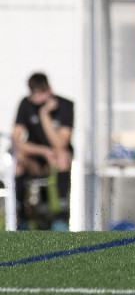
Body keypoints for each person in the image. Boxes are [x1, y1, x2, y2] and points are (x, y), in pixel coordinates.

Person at [12, 72, 74, 230]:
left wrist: (44, 114)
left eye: (42, 93)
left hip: (56, 161)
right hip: (37, 159)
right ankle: (20, 214)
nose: (38, 98)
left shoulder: (65, 105)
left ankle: (61, 213)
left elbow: (60, 144)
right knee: (18, 157)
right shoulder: (25, 104)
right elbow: (16, 139)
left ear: (50, 90)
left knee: (61, 155)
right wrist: (43, 151)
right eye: (34, 94)